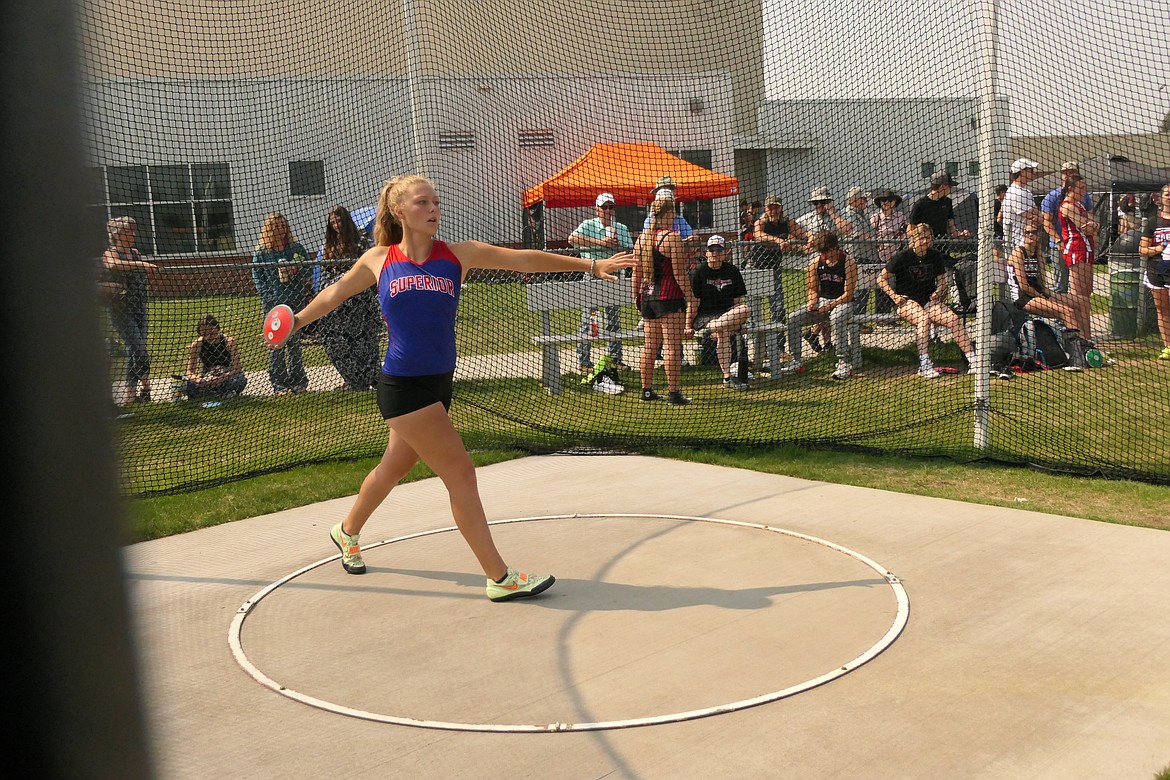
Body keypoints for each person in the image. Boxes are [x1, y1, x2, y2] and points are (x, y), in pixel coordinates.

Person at [279, 175, 633, 600]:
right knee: (461, 473)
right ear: (399, 212)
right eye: (423, 202)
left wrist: (591, 265)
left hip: (438, 382)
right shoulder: (378, 259)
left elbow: (522, 260)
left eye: (436, 201)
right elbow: (334, 293)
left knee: (394, 467)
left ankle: (346, 530)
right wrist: (296, 321)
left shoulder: (457, 256)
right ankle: (499, 577)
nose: (434, 209)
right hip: (402, 385)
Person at [877, 223, 975, 378]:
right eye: (921, 238)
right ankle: (924, 364)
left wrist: (938, 292)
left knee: (953, 319)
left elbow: (942, 281)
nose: (924, 241)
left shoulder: (934, 255)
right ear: (914, 238)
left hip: (928, 300)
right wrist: (895, 297)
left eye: (928, 238)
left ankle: (973, 361)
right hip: (906, 302)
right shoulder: (903, 256)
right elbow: (881, 279)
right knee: (923, 320)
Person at [634, 195, 695, 404]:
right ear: (667, 214)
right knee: (671, 346)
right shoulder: (672, 238)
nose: (675, 216)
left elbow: (637, 272)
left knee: (650, 347)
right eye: (673, 212)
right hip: (669, 297)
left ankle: (647, 390)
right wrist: (691, 297)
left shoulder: (642, 238)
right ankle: (674, 393)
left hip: (648, 297)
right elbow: (679, 274)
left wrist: (636, 296)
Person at [317, 205, 381, 391]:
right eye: (333, 222)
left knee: (365, 340)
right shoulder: (330, 243)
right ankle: (355, 381)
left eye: (339, 220)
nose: (336, 225)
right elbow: (325, 271)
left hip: (359, 299)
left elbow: (367, 267)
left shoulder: (360, 239)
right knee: (340, 342)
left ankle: (373, 377)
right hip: (337, 302)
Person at [779, 231, 858, 380]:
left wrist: (828, 307)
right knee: (793, 318)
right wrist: (812, 301)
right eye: (821, 252)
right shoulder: (815, 263)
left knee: (836, 317)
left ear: (835, 247)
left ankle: (843, 362)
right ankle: (796, 361)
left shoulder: (849, 262)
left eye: (826, 251)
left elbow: (848, 294)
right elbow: (812, 289)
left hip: (844, 303)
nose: (824, 255)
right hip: (823, 302)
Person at [569, 192, 633, 371]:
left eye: (611, 206)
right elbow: (572, 239)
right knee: (590, 319)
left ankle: (615, 359)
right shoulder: (588, 225)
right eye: (604, 207)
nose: (608, 210)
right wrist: (601, 243)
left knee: (613, 320)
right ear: (597, 209)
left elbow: (630, 250)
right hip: (592, 275)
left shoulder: (620, 228)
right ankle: (584, 362)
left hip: (613, 277)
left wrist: (618, 246)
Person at [251, 213, 310, 394]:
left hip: (295, 300)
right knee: (276, 344)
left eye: (282, 226)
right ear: (268, 229)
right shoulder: (262, 253)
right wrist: (268, 296)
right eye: (275, 227)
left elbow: (308, 268)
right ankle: (278, 384)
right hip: (274, 305)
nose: (279, 230)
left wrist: (296, 270)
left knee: (294, 343)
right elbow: (257, 277)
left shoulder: (295, 249)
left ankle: (298, 381)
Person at [101, 216, 157, 405]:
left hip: (139, 307)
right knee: (138, 348)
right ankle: (146, 385)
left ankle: (131, 396)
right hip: (120, 309)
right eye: (128, 231)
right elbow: (113, 265)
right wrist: (142, 264)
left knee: (135, 349)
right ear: (117, 234)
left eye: (133, 231)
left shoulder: (135, 252)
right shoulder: (111, 253)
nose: (133, 234)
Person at [688, 234, 750, 391]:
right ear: (706, 252)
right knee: (723, 332)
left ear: (725, 252)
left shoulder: (732, 271)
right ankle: (727, 377)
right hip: (705, 316)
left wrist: (740, 323)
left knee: (745, 309)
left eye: (718, 250)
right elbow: (694, 303)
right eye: (711, 250)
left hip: (728, 314)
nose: (715, 253)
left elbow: (737, 302)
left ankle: (713, 328)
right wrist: (688, 325)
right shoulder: (698, 272)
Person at [752, 195, 808, 362]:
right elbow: (759, 235)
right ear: (766, 208)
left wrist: (811, 239)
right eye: (770, 207)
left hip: (774, 269)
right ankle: (758, 352)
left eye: (776, 207)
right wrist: (778, 240)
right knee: (755, 312)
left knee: (778, 307)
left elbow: (802, 233)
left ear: (781, 207)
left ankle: (778, 348)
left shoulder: (787, 222)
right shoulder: (760, 222)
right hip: (756, 270)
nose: (773, 210)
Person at [1005, 221, 1088, 334]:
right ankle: (1078, 346)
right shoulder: (1018, 253)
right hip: (1022, 298)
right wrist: (1043, 297)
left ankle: (1087, 341)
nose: (1030, 235)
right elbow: (1024, 286)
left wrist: (1050, 295)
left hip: (1038, 294)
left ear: (1039, 235)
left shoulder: (1039, 253)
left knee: (1082, 301)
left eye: (1033, 232)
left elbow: (1042, 282)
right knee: (1067, 311)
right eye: (1027, 232)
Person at [1041, 161, 1093, 294]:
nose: (1068, 174)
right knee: (1061, 284)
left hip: (1080, 244)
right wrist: (1058, 241)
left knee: (1083, 288)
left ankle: (1077, 312)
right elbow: (1046, 222)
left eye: (1072, 172)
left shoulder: (1084, 196)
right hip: (1060, 244)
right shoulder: (1052, 196)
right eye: (1065, 172)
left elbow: (1090, 218)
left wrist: (1093, 228)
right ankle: (1060, 314)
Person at [1057, 174, 1098, 340]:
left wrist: (1094, 225)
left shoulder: (1079, 204)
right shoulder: (1068, 206)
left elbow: (1093, 225)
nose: (1083, 191)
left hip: (1087, 249)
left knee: (1087, 294)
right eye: (1080, 188)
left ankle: (1086, 336)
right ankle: (1080, 337)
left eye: (1084, 187)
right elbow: (1086, 227)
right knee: (1079, 297)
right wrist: (1093, 225)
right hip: (1076, 249)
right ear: (1070, 188)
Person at [177, 313, 247, 400]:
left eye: (211, 331)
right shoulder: (197, 345)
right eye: (205, 334)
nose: (209, 336)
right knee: (186, 384)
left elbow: (237, 369)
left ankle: (215, 393)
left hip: (227, 376)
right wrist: (199, 379)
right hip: (206, 378)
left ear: (217, 328)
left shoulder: (229, 342)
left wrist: (221, 378)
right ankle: (217, 393)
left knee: (239, 381)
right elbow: (190, 371)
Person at [1137, 183, 1170, 359]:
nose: (1169, 197)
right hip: (1156, 269)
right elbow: (1142, 250)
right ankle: (1168, 347)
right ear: (1160, 198)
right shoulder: (1153, 222)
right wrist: (1159, 248)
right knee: (1162, 308)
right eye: (1167, 194)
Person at [842, 187, 880, 326]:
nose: (866, 201)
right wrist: (876, 241)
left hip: (867, 256)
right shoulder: (849, 214)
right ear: (854, 200)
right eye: (863, 199)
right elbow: (860, 234)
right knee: (860, 291)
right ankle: (855, 323)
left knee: (865, 291)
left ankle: (859, 322)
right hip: (858, 257)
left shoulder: (861, 213)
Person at [869, 189, 906, 315]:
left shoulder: (900, 216)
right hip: (881, 256)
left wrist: (902, 237)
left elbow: (905, 232)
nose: (886, 203)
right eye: (883, 200)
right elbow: (871, 236)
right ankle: (882, 316)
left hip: (897, 256)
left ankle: (896, 313)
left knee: (897, 285)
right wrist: (877, 244)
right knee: (883, 287)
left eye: (889, 200)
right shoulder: (876, 217)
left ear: (894, 202)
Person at [909, 172, 971, 242]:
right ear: (943, 186)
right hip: (925, 245)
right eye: (950, 186)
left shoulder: (947, 202)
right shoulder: (920, 204)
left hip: (943, 243)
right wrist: (923, 237)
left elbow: (951, 227)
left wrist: (960, 235)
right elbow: (910, 229)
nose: (951, 189)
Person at [642, 177, 697, 243]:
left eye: (672, 188)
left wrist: (692, 239)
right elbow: (649, 243)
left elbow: (691, 237)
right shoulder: (650, 220)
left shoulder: (679, 219)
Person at [1002, 159, 1041, 252]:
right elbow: (1030, 214)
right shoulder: (1016, 192)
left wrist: (1038, 215)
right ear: (1022, 172)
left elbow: (1037, 214)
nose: (1033, 173)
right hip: (1018, 243)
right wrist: (1039, 215)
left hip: (1026, 242)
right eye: (1030, 170)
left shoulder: (1025, 191)